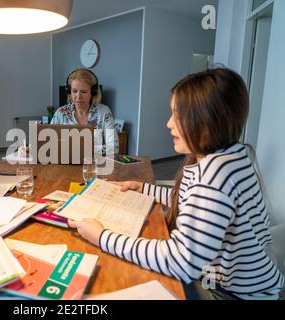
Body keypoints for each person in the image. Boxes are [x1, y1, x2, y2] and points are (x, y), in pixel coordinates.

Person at [68, 68, 285, 300]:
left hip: (230, 293)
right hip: (246, 280)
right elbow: (193, 200)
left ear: (207, 121)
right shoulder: (231, 156)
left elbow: (181, 262)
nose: (168, 124)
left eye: (177, 115)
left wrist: (103, 237)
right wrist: (143, 188)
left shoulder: (215, 178)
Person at [51, 69, 119, 155]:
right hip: (65, 166)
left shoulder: (104, 112)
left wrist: (81, 150)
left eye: (84, 92)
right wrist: (32, 148)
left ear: (93, 93)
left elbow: (113, 147)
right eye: (74, 91)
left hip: (94, 166)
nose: (78, 96)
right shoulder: (61, 112)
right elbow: (49, 142)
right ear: (69, 92)